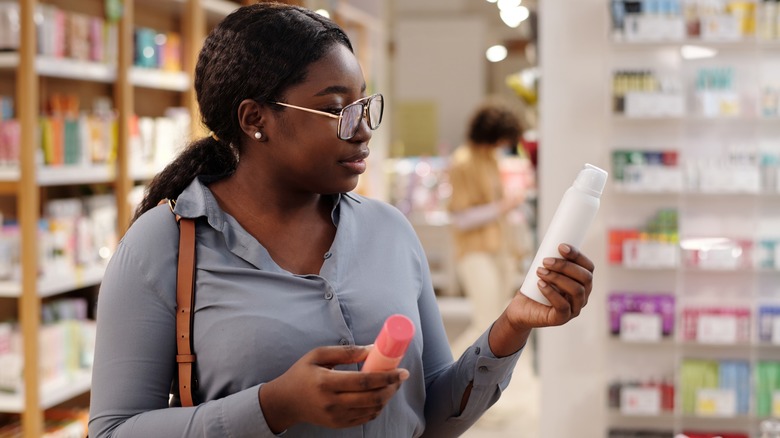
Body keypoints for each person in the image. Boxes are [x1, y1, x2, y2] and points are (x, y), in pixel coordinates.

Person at [88, 3, 595, 437]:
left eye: (364, 105)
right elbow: (112, 430)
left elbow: (430, 417)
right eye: (338, 111)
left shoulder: (389, 230)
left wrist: (513, 325)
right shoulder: (164, 245)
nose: (364, 131)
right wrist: (272, 406)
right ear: (254, 119)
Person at [446, 101, 530, 359]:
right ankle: (446, 374)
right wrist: (502, 206)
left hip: (499, 249)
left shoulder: (491, 159)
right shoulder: (463, 162)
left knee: (495, 321)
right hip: (474, 250)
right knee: (485, 322)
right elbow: (459, 217)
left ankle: (467, 381)